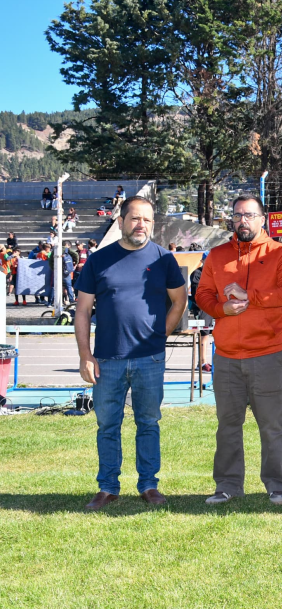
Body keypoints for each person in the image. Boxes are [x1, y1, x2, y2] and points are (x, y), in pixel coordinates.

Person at [74, 196, 188, 510]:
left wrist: (160, 335)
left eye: (147, 220)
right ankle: (108, 487)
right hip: (107, 360)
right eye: (135, 218)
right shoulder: (98, 260)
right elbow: (82, 311)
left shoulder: (164, 260)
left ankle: (149, 485)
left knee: (148, 423)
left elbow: (179, 301)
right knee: (107, 426)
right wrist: (86, 355)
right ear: (122, 221)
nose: (141, 225)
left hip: (148, 359)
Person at [196, 195, 282, 506]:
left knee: (272, 425)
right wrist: (222, 309)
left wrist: (249, 296)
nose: (244, 220)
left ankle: (277, 485)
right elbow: (201, 294)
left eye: (250, 215)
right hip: (226, 356)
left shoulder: (280, 253)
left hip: (267, 354)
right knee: (228, 425)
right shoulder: (217, 255)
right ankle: (227, 486)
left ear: (263, 219)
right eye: (239, 215)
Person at [188, 253, 214, 372]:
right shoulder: (197, 274)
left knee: (208, 334)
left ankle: (205, 361)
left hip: (213, 305)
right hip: (202, 307)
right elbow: (197, 294)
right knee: (204, 333)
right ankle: (202, 362)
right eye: (207, 261)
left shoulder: (213, 273)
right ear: (202, 261)